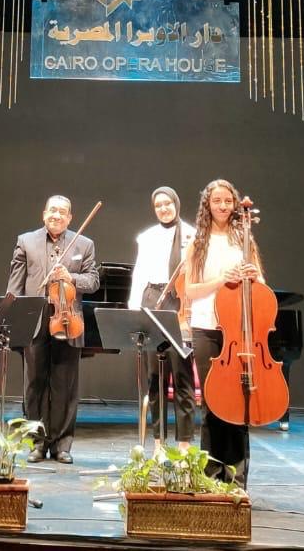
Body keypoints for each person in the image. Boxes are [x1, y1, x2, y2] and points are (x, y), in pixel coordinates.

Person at [181, 179, 264, 488]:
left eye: (228, 201)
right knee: (213, 403)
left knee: (240, 403)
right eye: (217, 201)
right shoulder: (198, 242)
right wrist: (220, 280)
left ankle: (238, 477)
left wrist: (254, 276)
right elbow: (190, 290)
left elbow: (262, 285)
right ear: (208, 204)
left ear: (234, 203)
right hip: (206, 327)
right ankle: (213, 475)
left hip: (240, 329)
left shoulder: (244, 237)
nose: (223, 206)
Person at [7, 195, 99, 464]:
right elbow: (15, 285)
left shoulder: (84, 244)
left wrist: (71, 277)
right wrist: (13, 318)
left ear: (70, 218)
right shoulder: (26, 241)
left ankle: (62, 445)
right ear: (44, 213)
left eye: (62, 212)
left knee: (64, 384)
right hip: (36, 317)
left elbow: (93, 281)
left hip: (68, 318)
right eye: (52, 210)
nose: (57, 215)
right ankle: (37, 443)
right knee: (34, 384)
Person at [128, 186, 197, 448]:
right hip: (152, 299)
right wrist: (134, 308)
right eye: (158, 205)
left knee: (182, 376)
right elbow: (139, 273)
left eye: (167, 203)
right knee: (154, 377)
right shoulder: (147, 237)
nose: (163, 208)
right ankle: (158, 443)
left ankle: (184, 445)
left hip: (179, 301)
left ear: (176, 204)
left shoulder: (192, 235)